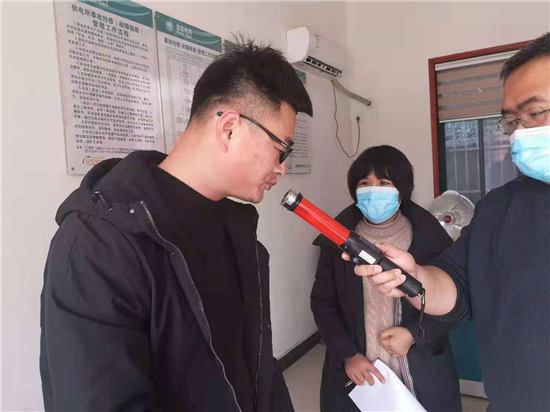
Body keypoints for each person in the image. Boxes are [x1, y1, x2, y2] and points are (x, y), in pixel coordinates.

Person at [40, 40, 313, 412]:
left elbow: (258, 367)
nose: (282, 168)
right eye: (282, 149)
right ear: (229, 129)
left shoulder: (239, 233)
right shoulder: (97, 244)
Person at [352, 33, 550, 411]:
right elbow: (456, 286)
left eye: (536, 113)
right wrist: (413, 277)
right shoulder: (499, 208)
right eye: (511, 121)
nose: (521, 132)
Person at [311, 145, 461, 412]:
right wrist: (348, 354)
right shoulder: (337, 241)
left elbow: (452, 303)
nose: (373, 190)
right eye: (364, 183)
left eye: (383, 183)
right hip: (359, 369)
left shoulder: (430, 239)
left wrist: (414, 334)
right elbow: (323, 302)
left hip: (419, 365)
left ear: (402, 190)